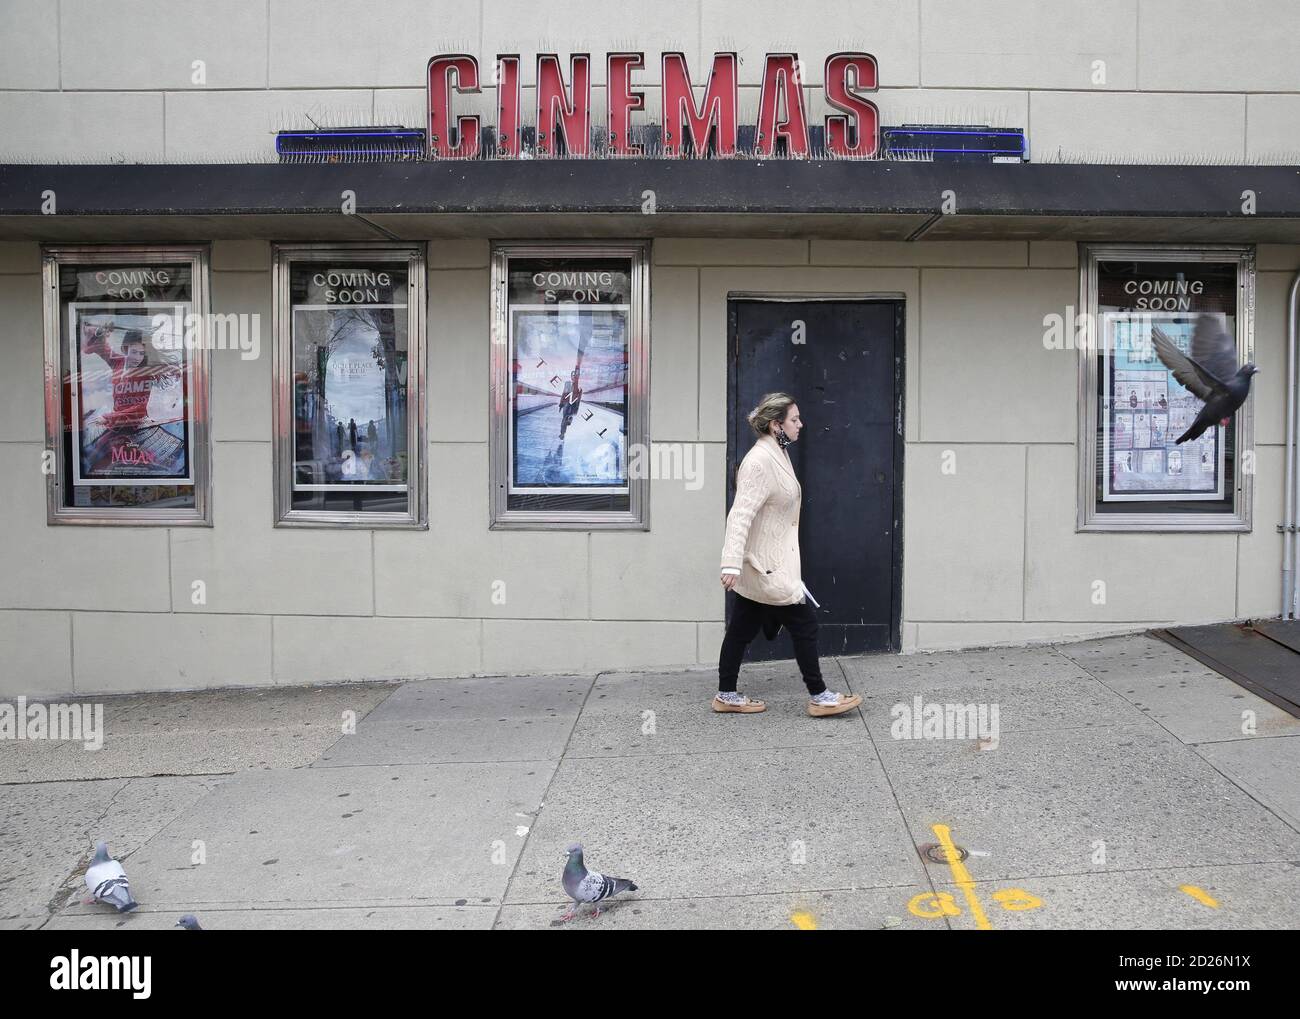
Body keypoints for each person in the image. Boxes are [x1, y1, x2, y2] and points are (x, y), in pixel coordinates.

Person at [715, 392, 862, 718]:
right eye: (794, 419)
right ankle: (820, 696)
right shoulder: (759, 462)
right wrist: (730, 563)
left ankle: (725, 694)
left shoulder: (777, 453)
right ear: (774, 424)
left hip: (769, 562)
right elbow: (740, 514)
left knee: (740, 629)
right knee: (804, 624)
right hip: (768, 566)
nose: (800, 424)